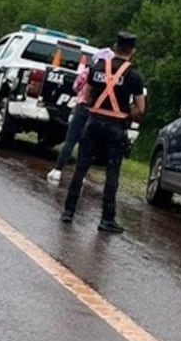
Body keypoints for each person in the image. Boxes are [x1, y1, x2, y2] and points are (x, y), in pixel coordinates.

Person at [61, 32, 146, 233]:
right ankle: (107, 219)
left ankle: (68, 211)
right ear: (132, 51)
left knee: (81, 167)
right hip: (116, 127)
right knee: (112, 172)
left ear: (115, 47)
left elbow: (87, 95)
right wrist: (126, 114)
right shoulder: (134, 76)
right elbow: (141, 108)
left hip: (94, 122)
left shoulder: (97, 68)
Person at [46, 46, 114, 184]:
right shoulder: (111, 77)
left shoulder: (88, 72)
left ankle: (57, 170)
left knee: (71, 140)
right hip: (97, 112)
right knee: (88, 145)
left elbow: (76, 86)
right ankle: (80, 176)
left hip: (82, 108)